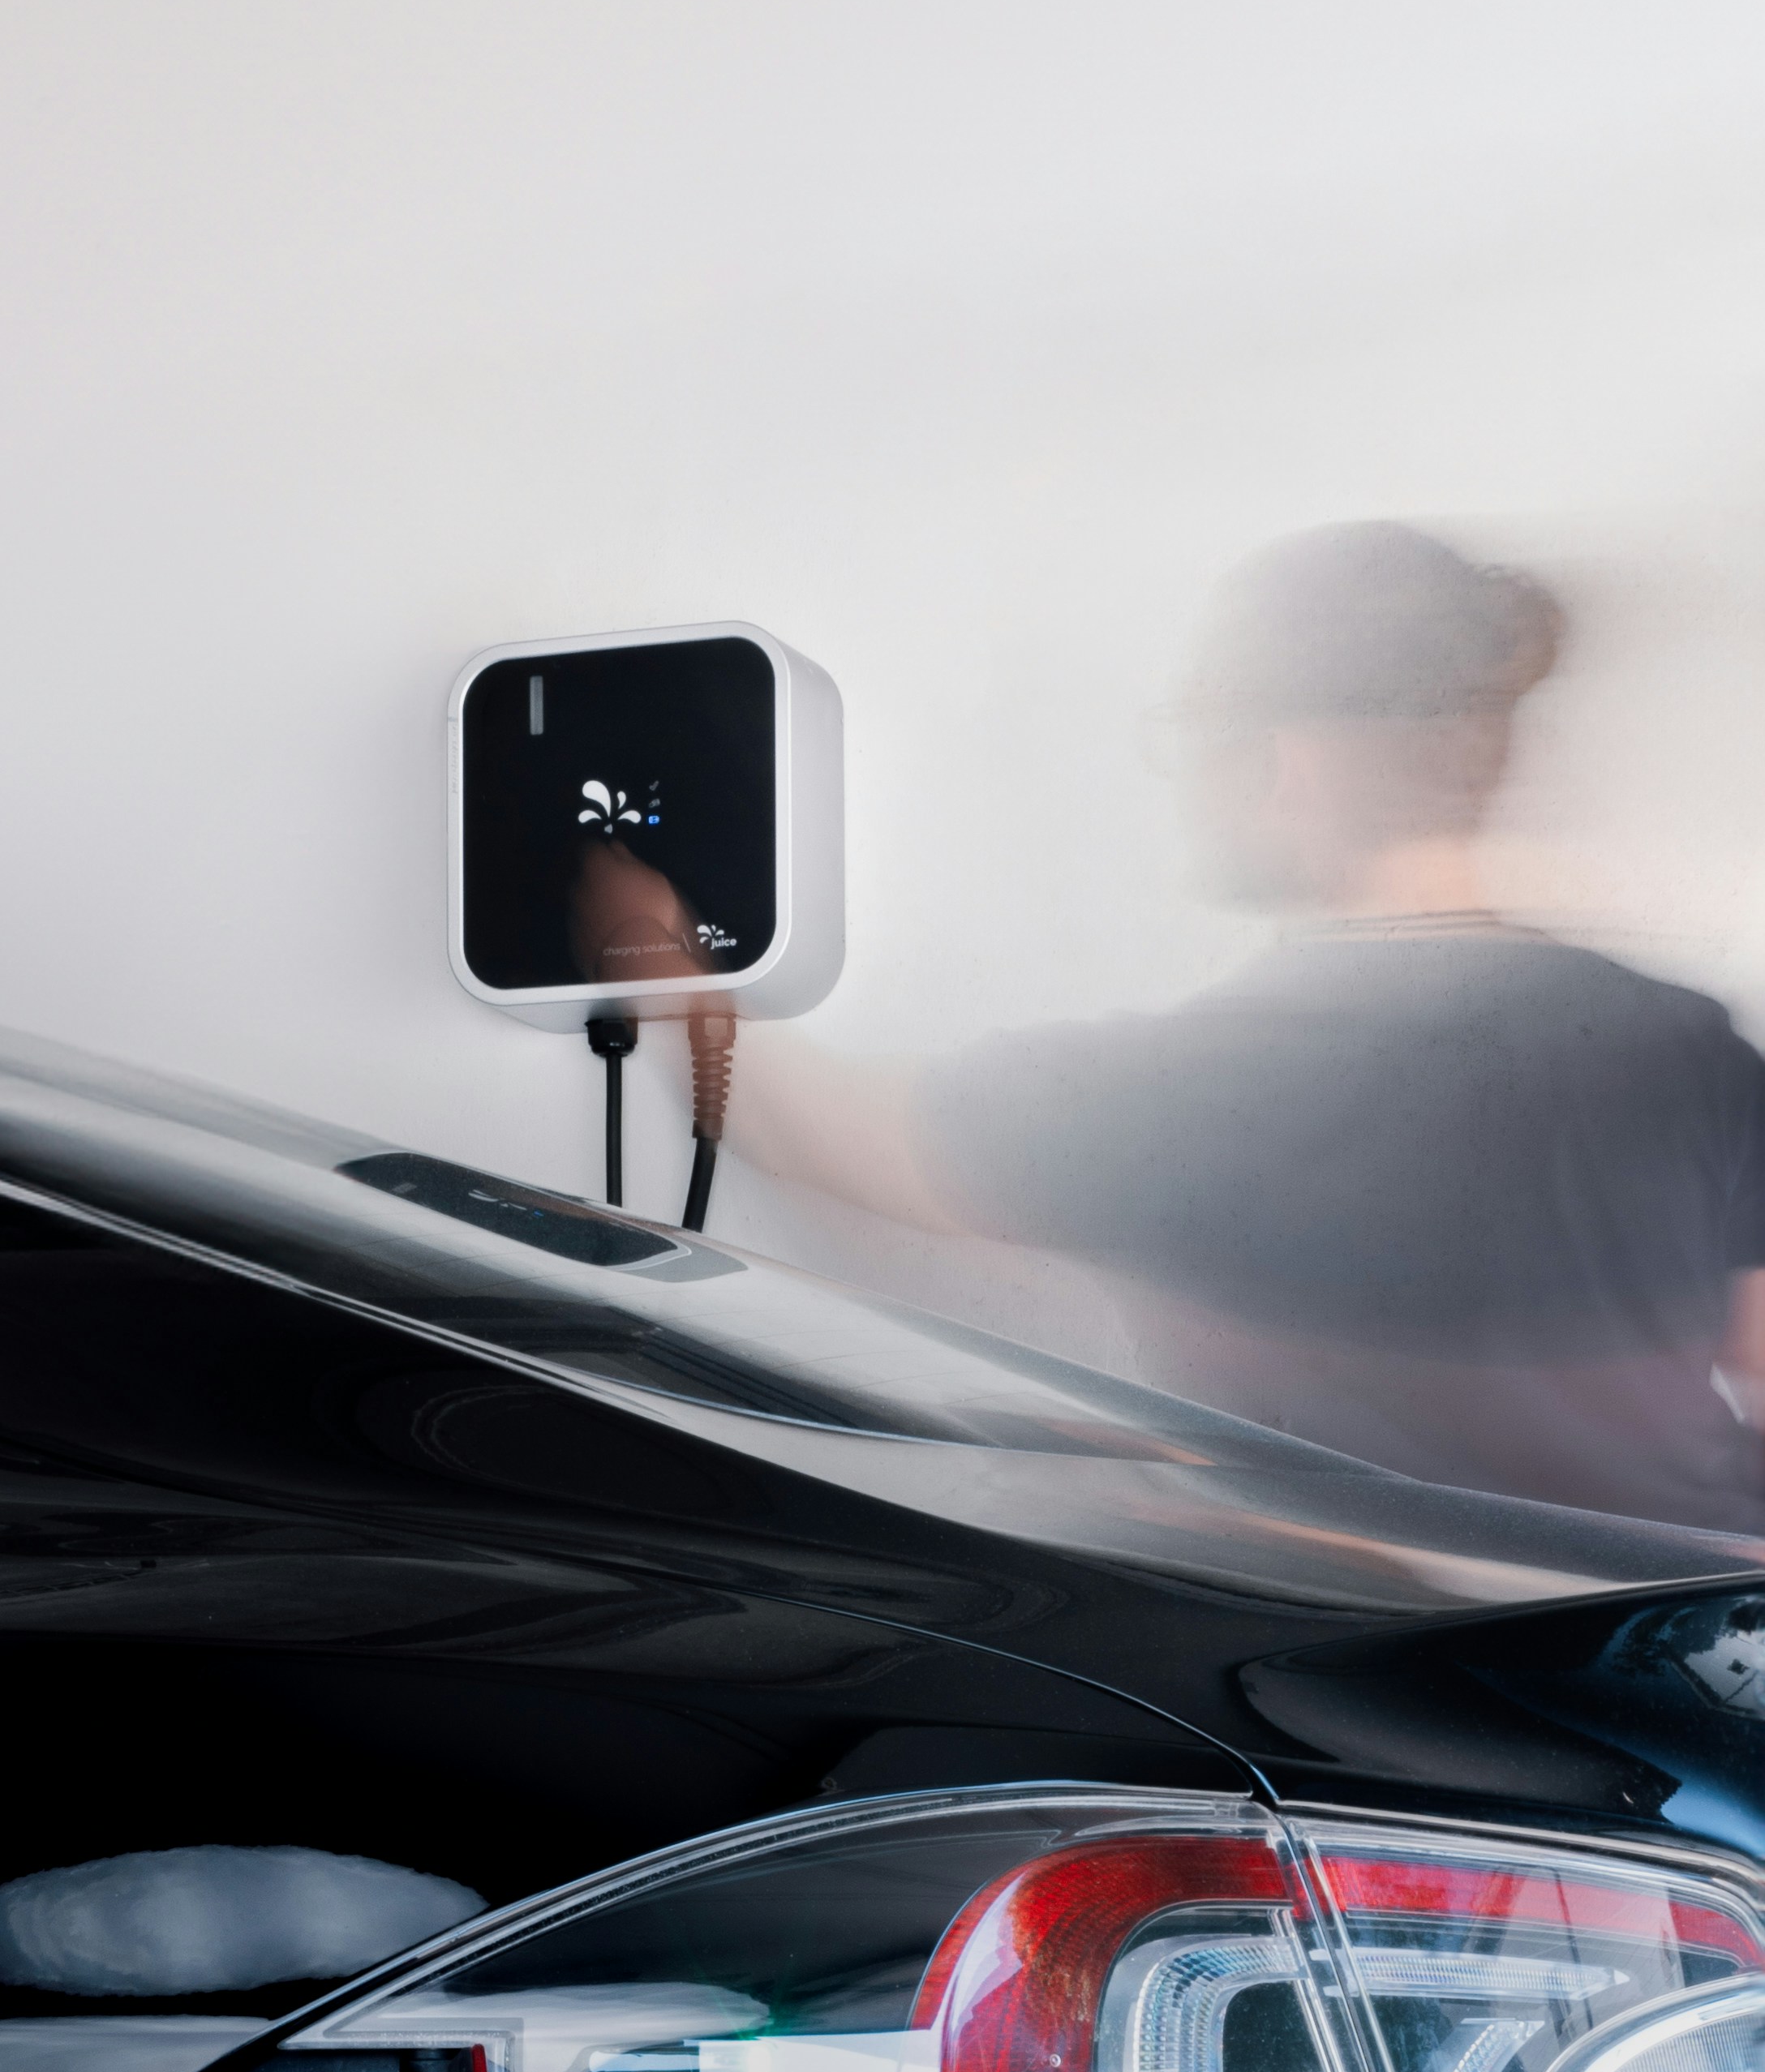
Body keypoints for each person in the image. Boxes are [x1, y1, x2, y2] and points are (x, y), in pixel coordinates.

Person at [726, 522, 1765, 1530]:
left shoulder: (1210, 1087)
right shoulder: (1687, 1042)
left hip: (1365, 1686)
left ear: (1283, 764)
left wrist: (643, 938)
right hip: (1675, 1666)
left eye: (1191, 730)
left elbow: (820, 1130)